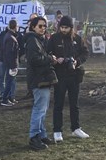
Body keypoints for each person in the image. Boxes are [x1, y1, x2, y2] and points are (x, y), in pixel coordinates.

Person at [46, 15, 90, 143]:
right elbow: (48, 53)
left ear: (71, 28)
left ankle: (76, 128)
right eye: (62, 27)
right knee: (58, 104)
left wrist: (77, 61)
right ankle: (57, 131)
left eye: (66, 27)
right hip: (60, 75)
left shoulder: (77, 38)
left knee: (74, 104)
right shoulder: (54, 38)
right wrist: (55, 59)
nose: (64, 30)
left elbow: (85, 52)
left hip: (75, 75)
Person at [26, 16, 57, 151]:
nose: (43, 28)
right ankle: (34, 137)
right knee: (39, 109)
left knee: (43, 109)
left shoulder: (39, 40)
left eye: (44, 26)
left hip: (42, 78)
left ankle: (42, 134)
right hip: (38, 79)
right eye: (40, 26)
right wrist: (50, 58)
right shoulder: (33, 40)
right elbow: (34, 59)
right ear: (33, 27)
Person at [0, 19, 19, 106]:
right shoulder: (11, 38)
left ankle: (7, 98)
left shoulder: (8, 36)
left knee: (9, 81)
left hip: (9, 63)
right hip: (11, 64)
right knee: (9, 81)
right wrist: (12, 66)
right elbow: (10, 53)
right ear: (15, 26)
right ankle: (5, 99)